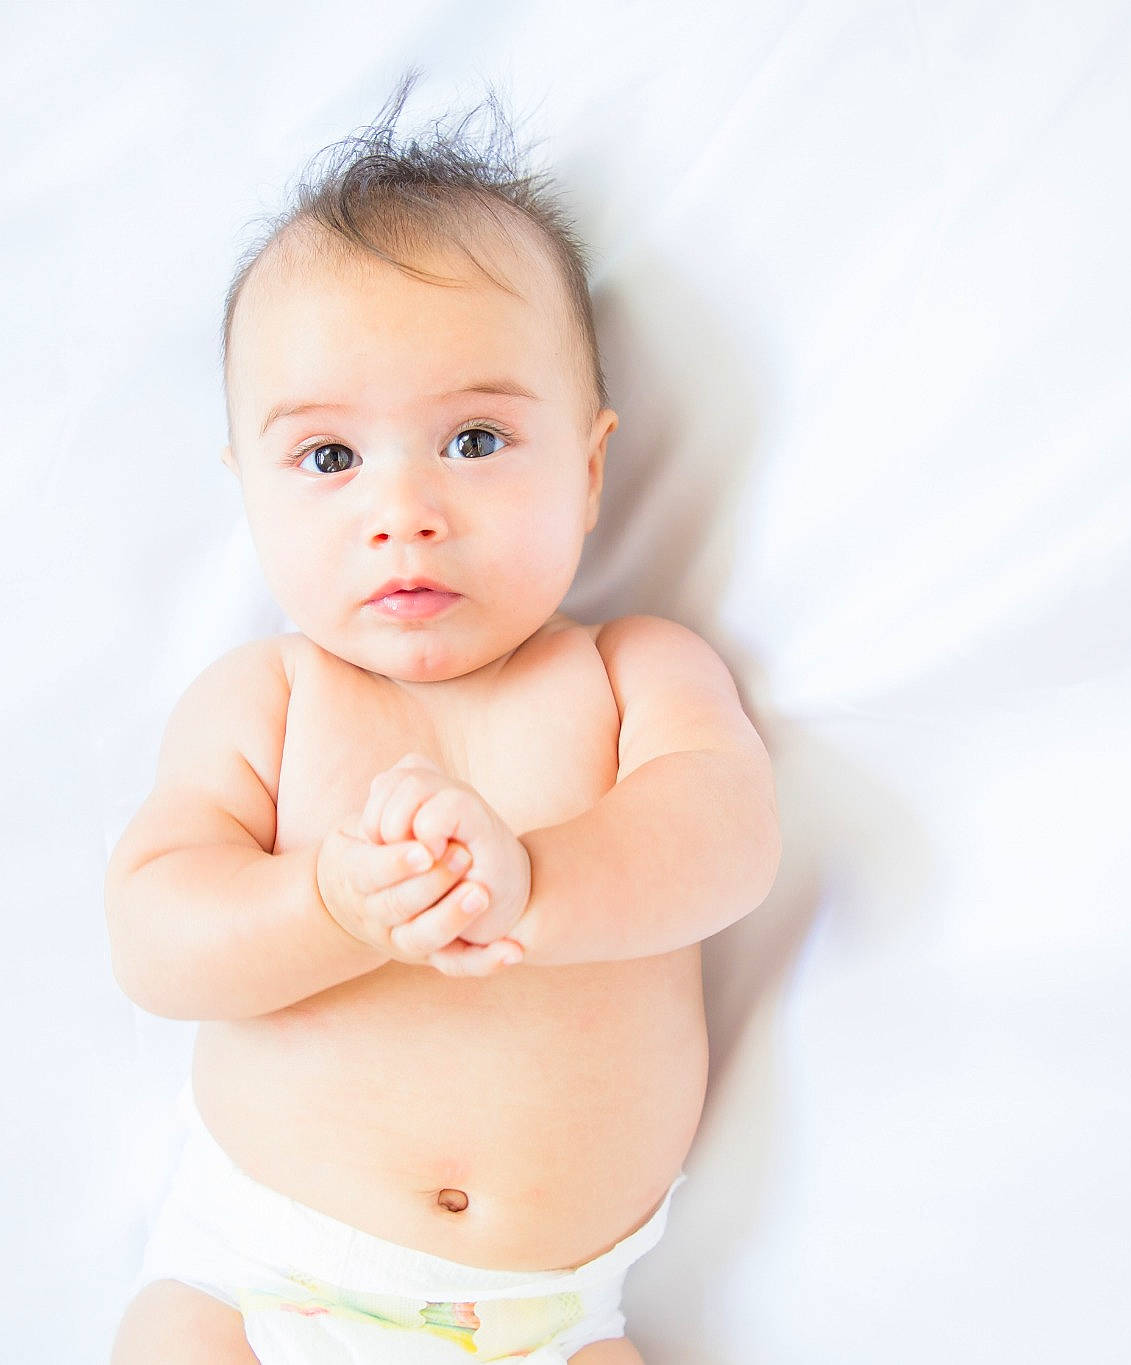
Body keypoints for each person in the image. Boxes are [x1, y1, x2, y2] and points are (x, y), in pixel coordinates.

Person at [106, 69, 782, 1364]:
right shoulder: (271, 698)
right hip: (258, 1283)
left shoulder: (635, 674)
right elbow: (154, 934)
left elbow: (728, 833)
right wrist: (329, 906)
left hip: (552, 1324)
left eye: (475, 440)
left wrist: (540, 880)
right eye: (329, 457)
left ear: (588, 470)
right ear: (246, 487)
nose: (403, 508)